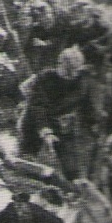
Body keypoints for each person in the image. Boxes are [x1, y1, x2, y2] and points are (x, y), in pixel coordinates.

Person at [20, 46, 100, 183]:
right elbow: (37, 106)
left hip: (62, 124)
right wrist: (45, 132)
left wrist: (94, 123)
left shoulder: (81, 81)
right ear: (59, 63)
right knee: (27, 159)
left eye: (74, 72)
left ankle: (74, 187)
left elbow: (86, 104)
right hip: (35, 121)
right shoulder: (45, 78)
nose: (70, 76)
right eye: (67, 71)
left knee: (72, 168)